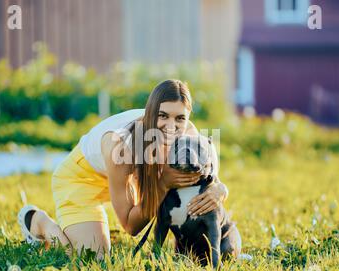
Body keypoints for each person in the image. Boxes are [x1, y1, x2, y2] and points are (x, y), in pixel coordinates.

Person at [17, 79, 229, 259]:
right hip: (81, 180)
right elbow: (131, 226)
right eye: (163, 115)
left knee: (94, 256)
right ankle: (37, 221)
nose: (172, 126)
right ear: (150, 112)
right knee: (90, 259)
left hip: (128, 180)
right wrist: (163, 184)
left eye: (180, 118)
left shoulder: (190, 136)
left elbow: (211, 176)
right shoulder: (122, 146)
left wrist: (220, 189)